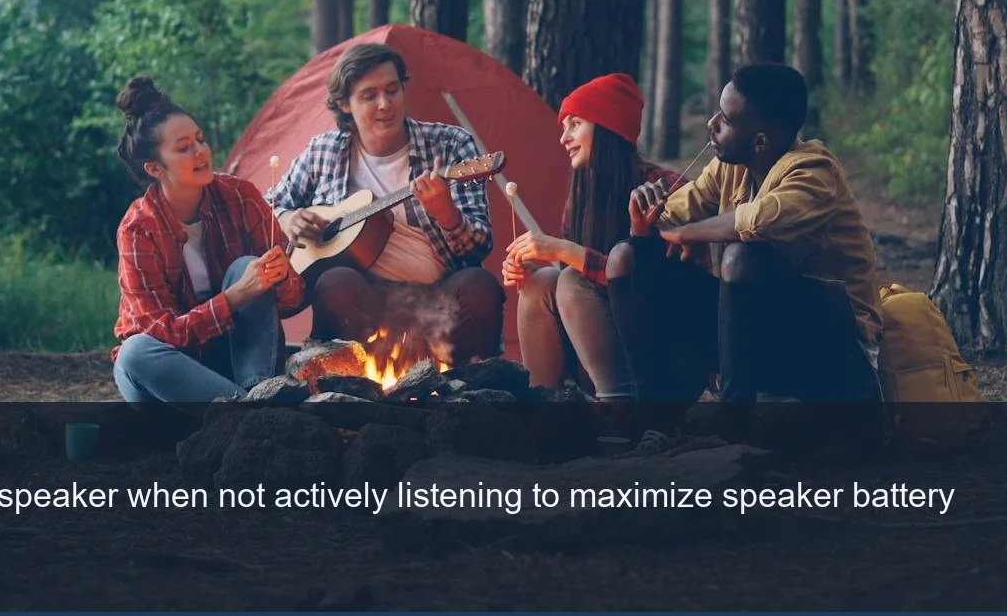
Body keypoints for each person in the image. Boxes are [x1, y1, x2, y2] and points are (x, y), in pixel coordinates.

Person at [627, 62, 883, 421]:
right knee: (632, 257)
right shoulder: (731, 165)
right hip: (768, 335)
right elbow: (676, 212)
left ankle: (733, 421)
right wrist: (646, 221)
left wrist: (688, 233)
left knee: (741, 258)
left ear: (759, 140)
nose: (710, 123)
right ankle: (652, 418)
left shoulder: (814, 172)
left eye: (725, 120)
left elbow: (762, 219)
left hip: (832, 348)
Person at [266, 42, 502, 363]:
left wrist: (448, 215)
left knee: (480, 287)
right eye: (369, 95)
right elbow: (268, 207)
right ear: (344, 104)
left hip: (439, 299)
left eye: (393, 90)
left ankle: (466, 393)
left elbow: (480, 247)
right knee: (334, 282)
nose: (385, 104)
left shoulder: (451, 145)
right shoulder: (324, 151)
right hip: (364, 303)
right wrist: (288, 218)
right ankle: (347, 385)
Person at [504, 73, 708, 408]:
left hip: (664, 363)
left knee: (569, 277)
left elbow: (661, 290)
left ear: (608, 127)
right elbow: (580, 290)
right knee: (542, 281)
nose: (564, 138)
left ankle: (620, 410)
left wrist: (565, 252)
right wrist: (532, 269)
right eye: (563, 127)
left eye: (575, 124)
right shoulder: (582, 198)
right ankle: (543, 406)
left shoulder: (666, 188)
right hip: (600, 354)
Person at [112, 77, 305, 404]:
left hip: (236, 363)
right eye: (184, 147)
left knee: (248, 266)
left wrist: (281, 276)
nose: (201, 152)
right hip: (171, 378)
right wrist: (236, 295)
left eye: (200, 140)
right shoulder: (138, 229)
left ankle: (255, 396)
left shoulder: (240, 197)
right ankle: (253, 412)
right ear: (155, 168)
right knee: (134, 352)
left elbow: (294, 301)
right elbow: (166, 334)